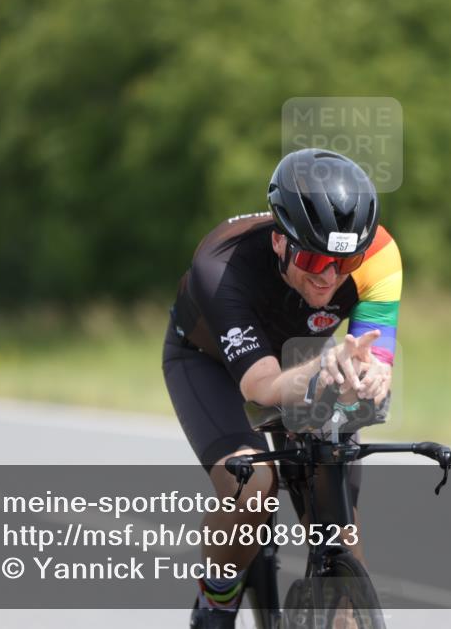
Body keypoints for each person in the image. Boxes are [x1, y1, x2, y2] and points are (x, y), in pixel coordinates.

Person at [163, 148, 402, 628]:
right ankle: (217, 597)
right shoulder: (221, 264)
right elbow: (263, 387)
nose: (330, 275)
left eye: (345, 260)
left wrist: (372, 373)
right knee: (251, 485)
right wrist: (321, 372)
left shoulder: (379, 256)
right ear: (279, 242)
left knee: (336, 509)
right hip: (208, 360)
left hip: (303, 353)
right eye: (314, 257)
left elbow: (374, 355)